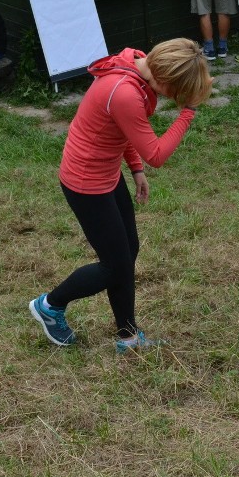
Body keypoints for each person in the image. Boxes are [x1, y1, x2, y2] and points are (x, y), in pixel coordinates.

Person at [28, 39, 213, 351]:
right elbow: (156, 154)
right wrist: (189, 112)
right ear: (165, 78)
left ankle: (127, 336)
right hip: (86, 183)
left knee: (128, 252)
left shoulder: (137, 66)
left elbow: (122, 128)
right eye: (178, 91)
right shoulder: (125, 91)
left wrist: (135, 169)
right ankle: (50, 304)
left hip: (107, 174)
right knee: (115, 266)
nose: (176, 98)